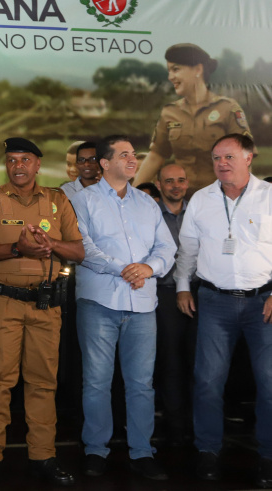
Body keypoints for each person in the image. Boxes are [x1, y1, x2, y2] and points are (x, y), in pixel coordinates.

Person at [0, 137, 84, 488]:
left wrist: (52, 246)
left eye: (25, 160)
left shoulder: (57, 200)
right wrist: (17, 249)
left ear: (37, 164)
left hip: (46, 306)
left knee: (43, 383)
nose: (18, 166)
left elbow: (78, 251)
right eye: (12, 160)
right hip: (3, 303)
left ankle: (43, 456)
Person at [70, 136, 176, 481]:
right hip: (99, 302)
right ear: (104, 163)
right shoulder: (83, 201)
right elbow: (82, 246)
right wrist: (124, 268)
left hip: (143, 304)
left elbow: (167, 249)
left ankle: (142, 452)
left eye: (134, 155)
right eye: (125, 155)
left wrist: (149, 268)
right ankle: (95, 449)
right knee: (97, 382)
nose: (134, 160)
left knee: (141, 384)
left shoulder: (146, 204)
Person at [175, 134, 272, 488]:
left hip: (264, 302)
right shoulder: (201, 200)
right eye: (216, 158)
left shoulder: (269, 197)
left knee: (270, 383)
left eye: (229, 156)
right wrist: (183, 286)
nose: (222, 163)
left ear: (249, 158)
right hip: (214, 301)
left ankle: (268, 458)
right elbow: (187, 249)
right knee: (207, 383)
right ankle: (208, 452)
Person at [134, 43, 251, 196]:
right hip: (182, 200)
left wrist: (241, 198)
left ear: (198, 69)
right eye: (169, 71)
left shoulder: (228, 108)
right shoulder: (170, 112)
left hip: (220, 197)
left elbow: (244, 159)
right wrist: (131, 193)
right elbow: (156, 156)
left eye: (176, 69)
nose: (170, 77)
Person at [153, 163, 196, 447]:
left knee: (199, 365)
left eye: (180, 180)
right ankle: (175, 428)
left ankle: (197, 426)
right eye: (169, 181)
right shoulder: (150, 213)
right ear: (158, 184)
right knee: (170, 364)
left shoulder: (199, 210)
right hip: (164, 295)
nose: (176, 186)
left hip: (202, 294)